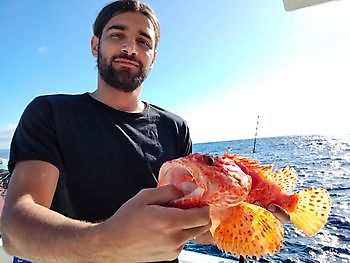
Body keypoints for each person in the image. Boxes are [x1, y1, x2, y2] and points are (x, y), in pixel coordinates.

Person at [0, 1, 289, 262]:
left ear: (153, 57)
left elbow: (193, 225)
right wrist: (106, 242)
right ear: (94, 44)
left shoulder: (175, 127)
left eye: (143, 41)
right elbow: (16, 228)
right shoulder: (49, 112)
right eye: (117, 35)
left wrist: (241, 221)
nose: (130, 48)